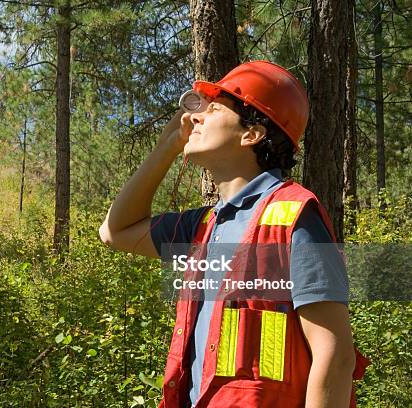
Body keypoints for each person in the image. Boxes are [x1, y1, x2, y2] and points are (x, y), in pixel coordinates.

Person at [99, 61, 368, 407]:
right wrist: (167, 147)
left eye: (212, 109)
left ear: (252, 133)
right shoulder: (203, 227)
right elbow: (114, 231)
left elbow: (335, 357)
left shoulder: (293, 216)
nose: (195, 117)